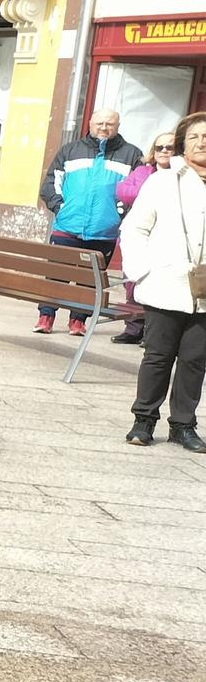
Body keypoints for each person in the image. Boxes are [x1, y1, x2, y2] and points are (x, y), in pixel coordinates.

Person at [122, 111, 206, 452]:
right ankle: (143, 420)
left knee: (195, 360)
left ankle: (183, 425)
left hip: (205, 291)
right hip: (165, 283)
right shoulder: (162, 181)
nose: (203, 143)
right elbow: (134, 228)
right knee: (157, 356)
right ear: (183, 145)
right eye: (196, 138)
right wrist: (143, 271)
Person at [36, 107, 141, 335]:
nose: (104, 128)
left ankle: (78, 320)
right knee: (57, 274)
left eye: (109, 124)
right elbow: (50, 184)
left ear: (118, 126)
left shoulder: (132, 155)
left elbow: (137, 190)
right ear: (90, 124)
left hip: (104, 231)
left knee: (90, 280)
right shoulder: (70, 150)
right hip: (67, 227)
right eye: (99, 123)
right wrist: (61, 209)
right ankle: (46, 316)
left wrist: (119, 214)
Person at [113, 129, 177, 345]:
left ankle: (151, 332)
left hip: (166, 240)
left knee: (158, 285)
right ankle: (133, 328)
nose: (165, 151)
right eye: (160, 147)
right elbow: (123, 191)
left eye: (170, 147)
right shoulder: (143, 172)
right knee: (132, 283)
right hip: (138, 237)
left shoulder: (183, 174)